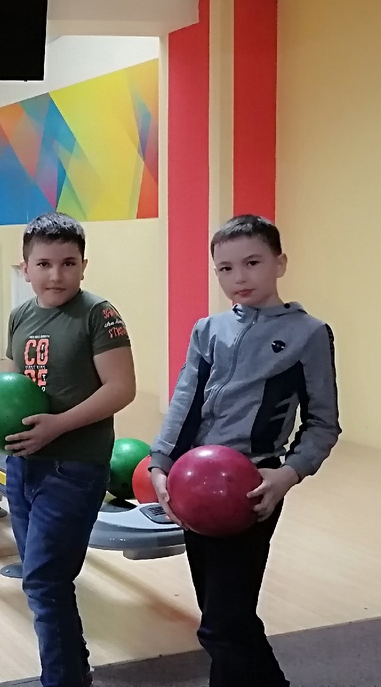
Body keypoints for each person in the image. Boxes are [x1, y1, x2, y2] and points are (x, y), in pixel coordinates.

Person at [149, 214, 341, 687]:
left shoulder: (309, 334)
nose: (239, 277)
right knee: (227, 616)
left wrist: (288, 474)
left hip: (252, 489)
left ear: (280, 263)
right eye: (226, 268)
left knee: (221, 625)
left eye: (252, 263)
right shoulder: (207, 330)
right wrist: (160, 465)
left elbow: (323, 424)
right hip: (194, 486)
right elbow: (184, 403)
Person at [0, 212, 137, 687]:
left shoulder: (98, 314)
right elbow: (10, 380)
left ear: (83, 266)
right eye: (44, 264)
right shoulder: (20, 315)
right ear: (25, 268)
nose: (56, 275)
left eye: (68, 263)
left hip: (75, 466)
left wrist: (57, 426)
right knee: (43, 578)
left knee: (44, 580)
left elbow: (121, 388)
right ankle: (74, 671)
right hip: (23, 465)